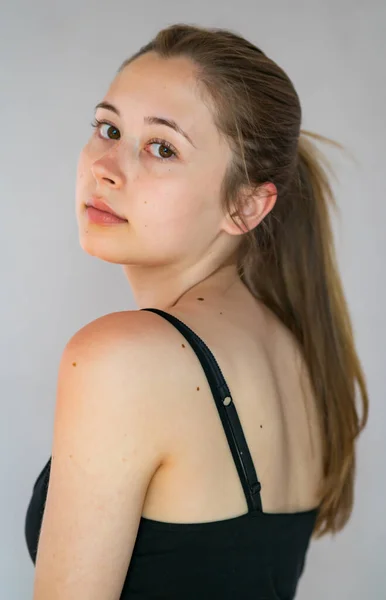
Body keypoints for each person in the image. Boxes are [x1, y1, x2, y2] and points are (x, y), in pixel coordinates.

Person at [25, 23, 369, 599]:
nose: (106, 166)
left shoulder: (122, 358)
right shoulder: (302, 353)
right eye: (108, 128)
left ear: (246, 204)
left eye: (162, 147)